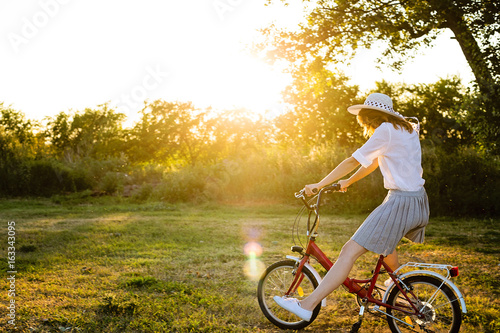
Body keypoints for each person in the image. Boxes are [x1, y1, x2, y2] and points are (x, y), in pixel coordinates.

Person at [273, 93, 429, 321]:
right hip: (418, 201)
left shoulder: (385, 130)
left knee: (348, 252)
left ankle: (307, 305)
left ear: (368, 115)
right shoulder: (406, 129)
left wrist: (319, 184)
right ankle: (404, 294)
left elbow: (352, 161)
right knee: (386, 246)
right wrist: (347, 182)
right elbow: (374, 161)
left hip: (400, 202)